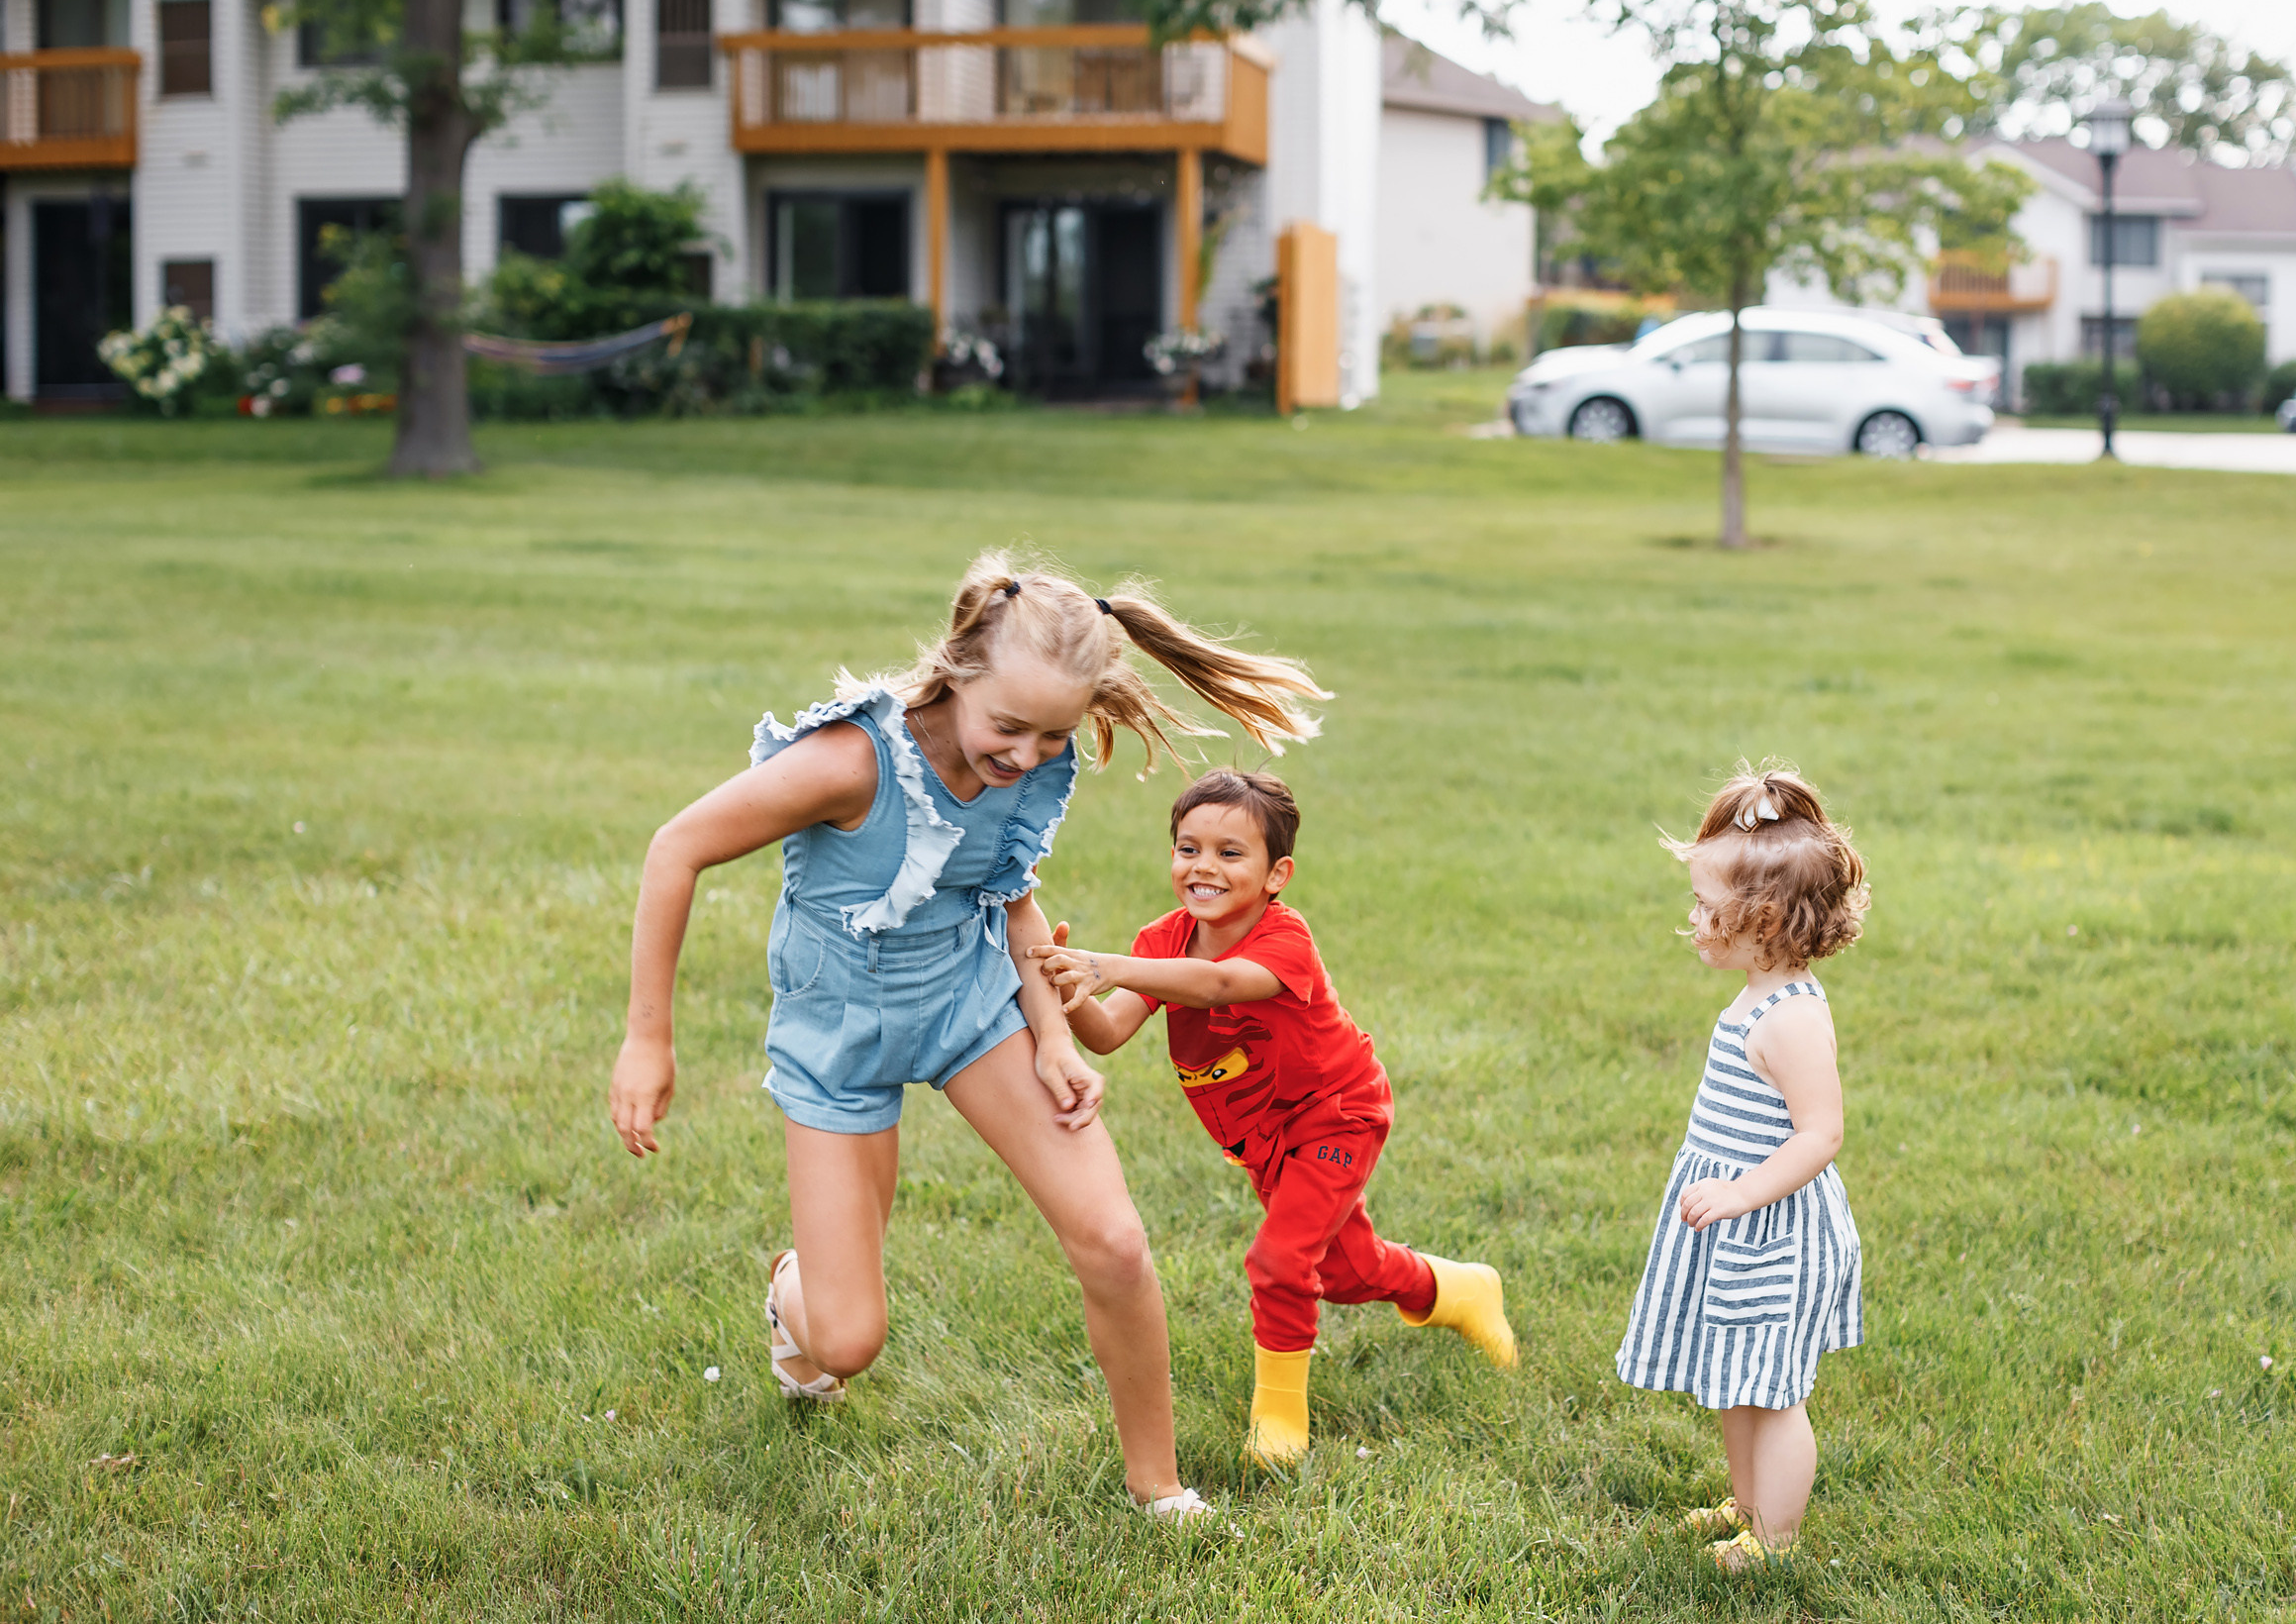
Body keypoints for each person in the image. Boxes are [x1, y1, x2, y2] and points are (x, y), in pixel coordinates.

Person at [606, 552, 1329, 1521]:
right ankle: (794, 1290)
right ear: (955, 670)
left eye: (1053, 735)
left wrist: (1054, 1040)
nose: (1027, 756)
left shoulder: (1027, 764)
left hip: (969, 1008)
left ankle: (1156, 1486)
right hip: (839, 1036)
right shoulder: (849, 763)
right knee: (847, 1341)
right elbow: (675, 848)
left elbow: (1011, 901)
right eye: (1010, 728)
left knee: (1113, 1242)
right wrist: (648, 1039)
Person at [1030, 767, 1517, 1466]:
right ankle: (1459, 1288)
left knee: (1280, 1259)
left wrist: (1108, 963)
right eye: (1188, 847)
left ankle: (1280, 1418)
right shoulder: (1162, 940)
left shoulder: (1283, 938)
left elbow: (1224, 983)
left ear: (1275, 873)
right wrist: (1073, 989)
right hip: (1265, 1140)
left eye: (1231, 853)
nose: (1203, 865)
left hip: (1336, 1115)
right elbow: (1107, 1033)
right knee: (1345, 1271)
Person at [1614, 763, 1869, 1572]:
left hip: (1773, 1232)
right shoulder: (1761, 992)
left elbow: (1820, 1132)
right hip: (1739, 1222)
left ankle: (1776, 1539)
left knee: (1773, 1390)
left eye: (1703, 906)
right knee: (1734, 1376)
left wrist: (1740, 1191)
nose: (1692, 919)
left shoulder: (1788, 1017)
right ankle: (1748, 1502)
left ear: (1762, 920)